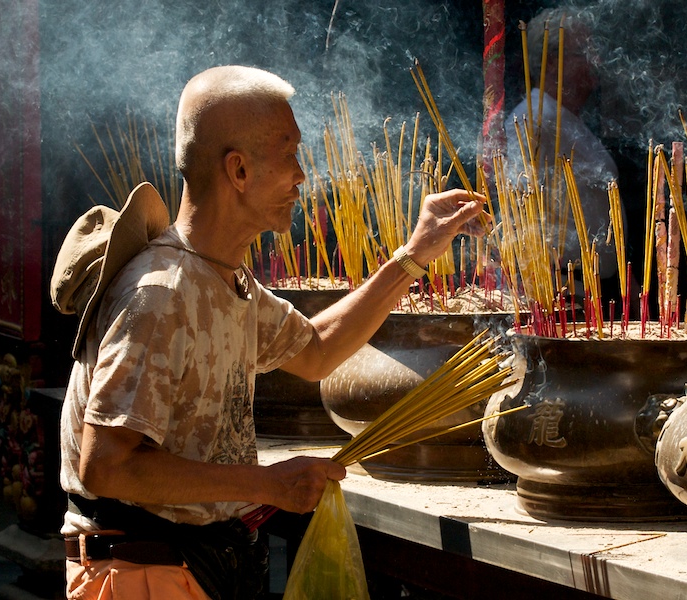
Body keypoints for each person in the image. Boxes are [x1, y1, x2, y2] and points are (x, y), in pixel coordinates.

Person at [50, 65, 488, 600]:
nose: (302, 175)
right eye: (289, 155)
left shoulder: (226, 279)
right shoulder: (160, 295)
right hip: (142, 573)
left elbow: (317, 349)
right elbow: (107, 466)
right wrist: (267, 483)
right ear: (237, 170)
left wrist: (414, 255)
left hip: (201, 565)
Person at [504, 8, 620, 283]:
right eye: (585, 53)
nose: (597, 60)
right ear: (552, 62)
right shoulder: (533, 119)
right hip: (562, 295)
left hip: (600, 292)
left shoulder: (565, 118)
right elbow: (520, 211)